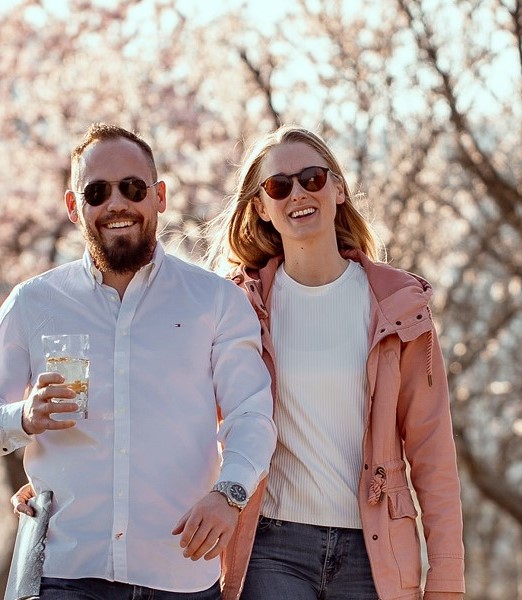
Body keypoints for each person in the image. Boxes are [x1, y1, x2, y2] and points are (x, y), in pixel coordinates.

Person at [0, 123, 277, 600]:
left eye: (132, 188)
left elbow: (251, 414)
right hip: (62, 573)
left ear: (159, 196)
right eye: (97, 191)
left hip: (179, 573)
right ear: (74, 207)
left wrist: (229, 494)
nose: (116, 204)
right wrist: (22, 418)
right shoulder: (32, 303)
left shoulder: (216, 302)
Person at [204, 125, 465, 600]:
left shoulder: (398, 307)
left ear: (338, 189)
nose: (298, 193)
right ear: (261, 207)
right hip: (271, 548)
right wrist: (70, 471)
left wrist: (447, 577)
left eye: (313, 178)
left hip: (376, 554)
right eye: (278, 186)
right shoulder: (239, 308)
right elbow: (186, 414)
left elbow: (432, 451)